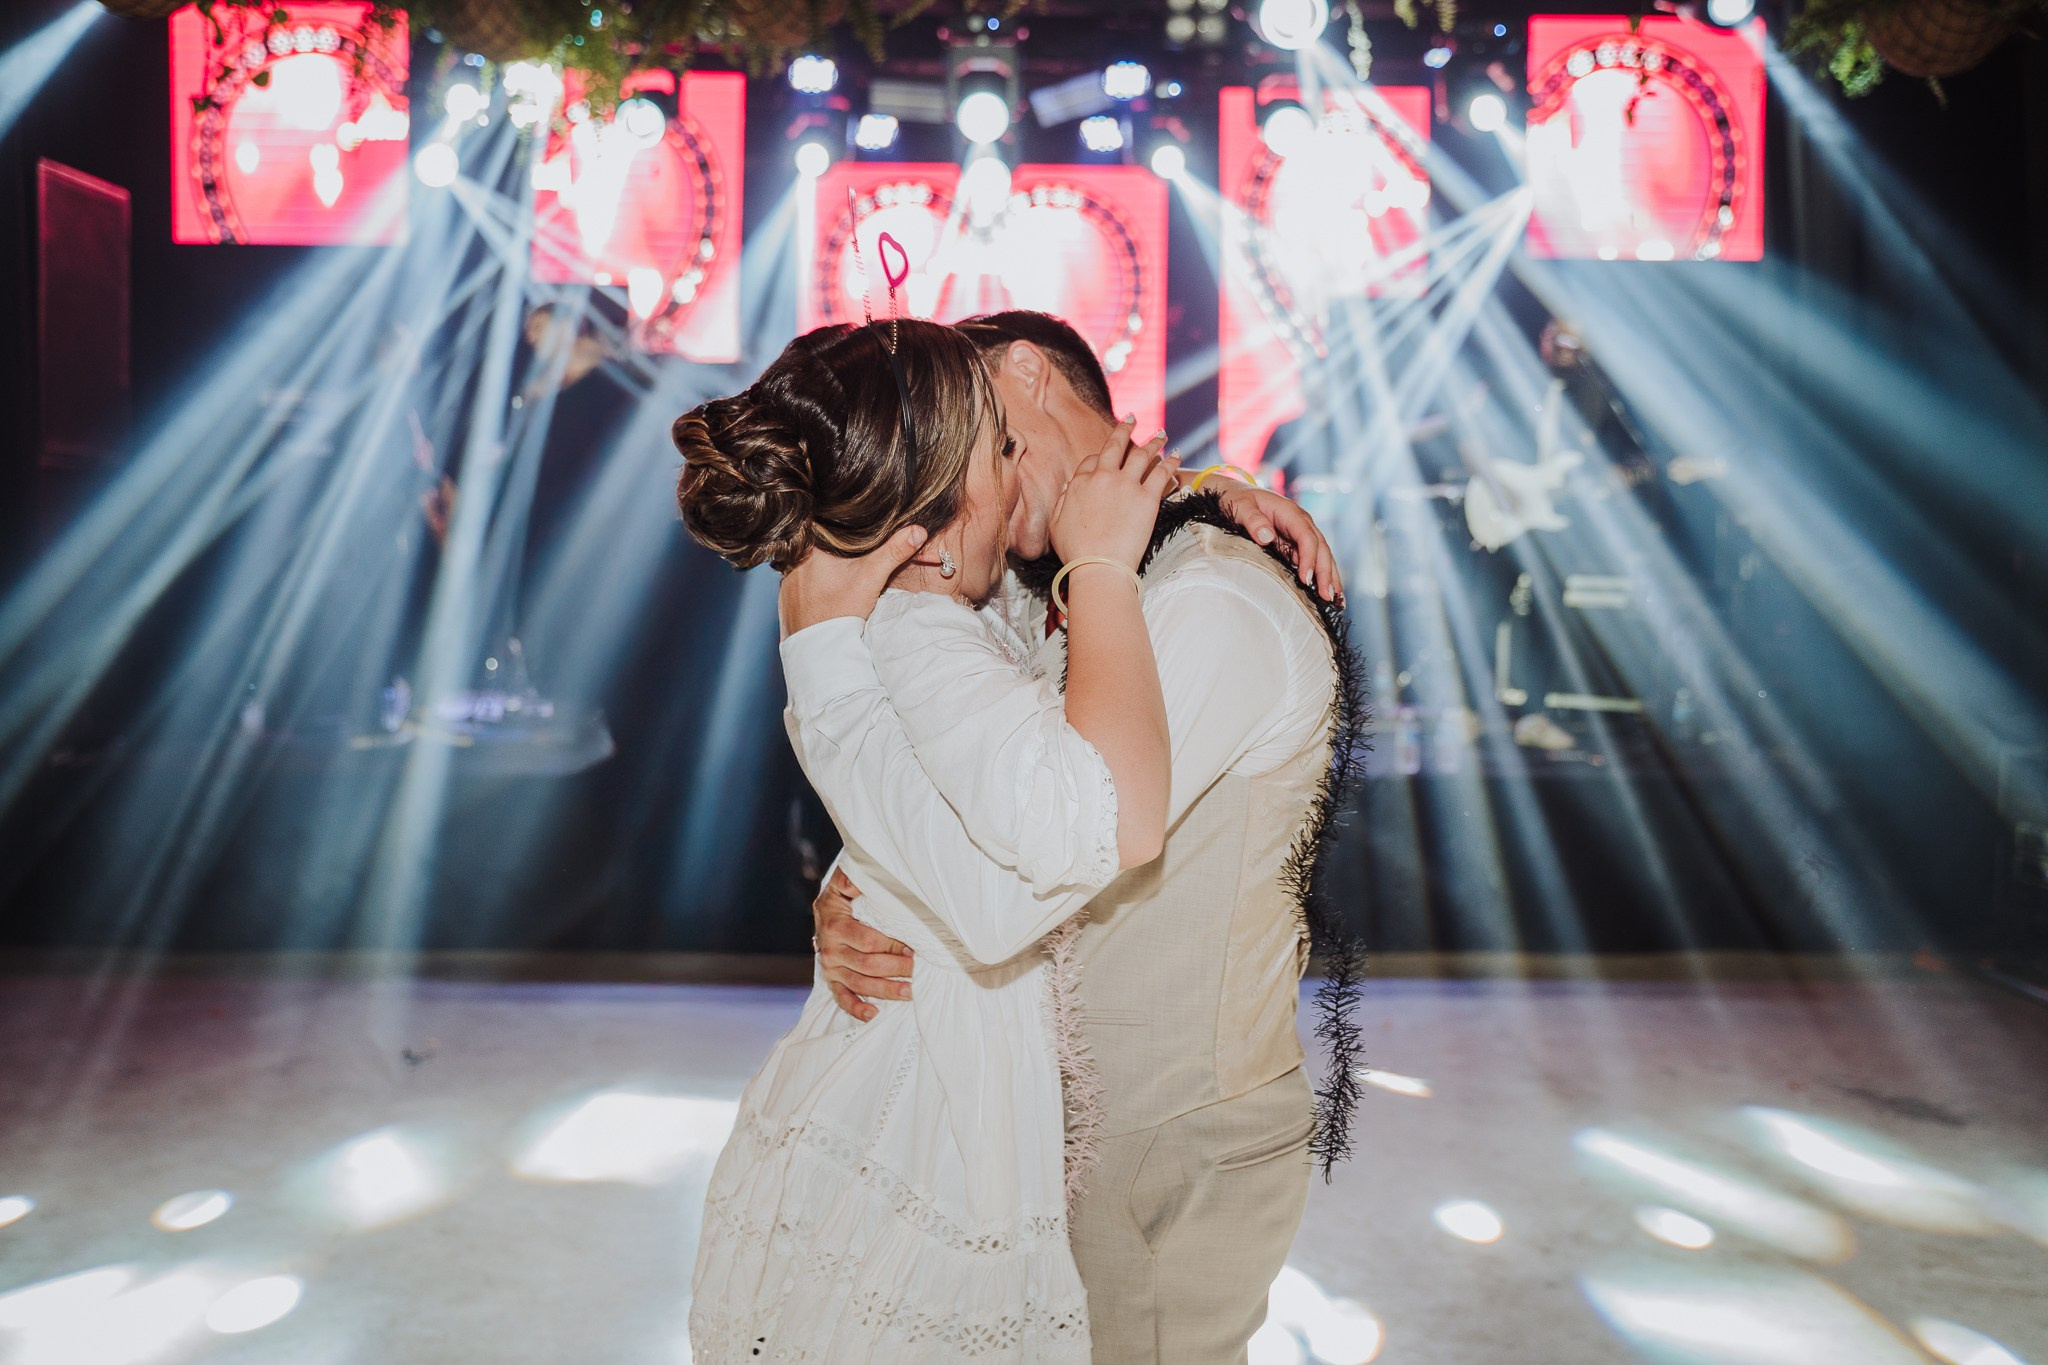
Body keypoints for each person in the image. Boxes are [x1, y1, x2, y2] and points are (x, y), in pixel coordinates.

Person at [808, 311, 1366, 1364]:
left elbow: (1026, 871)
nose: (950, 476)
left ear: (1024, 371)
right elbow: (955, 776)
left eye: (970, 432)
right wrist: (854, 895)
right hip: (1036, 1127)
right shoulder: (1052, 588)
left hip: (1163, 1142)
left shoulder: (1212, 599)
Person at [675, 318, 1181, 1362]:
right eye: (998, 452)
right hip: (927, 1112)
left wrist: (1214, 492)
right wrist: (1103, 566)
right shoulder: (925, 635)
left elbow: (927, 815)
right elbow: (1081, 841)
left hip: (916, 1065)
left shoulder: (947, 617)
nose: (1018, 467)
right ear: (939, 505)